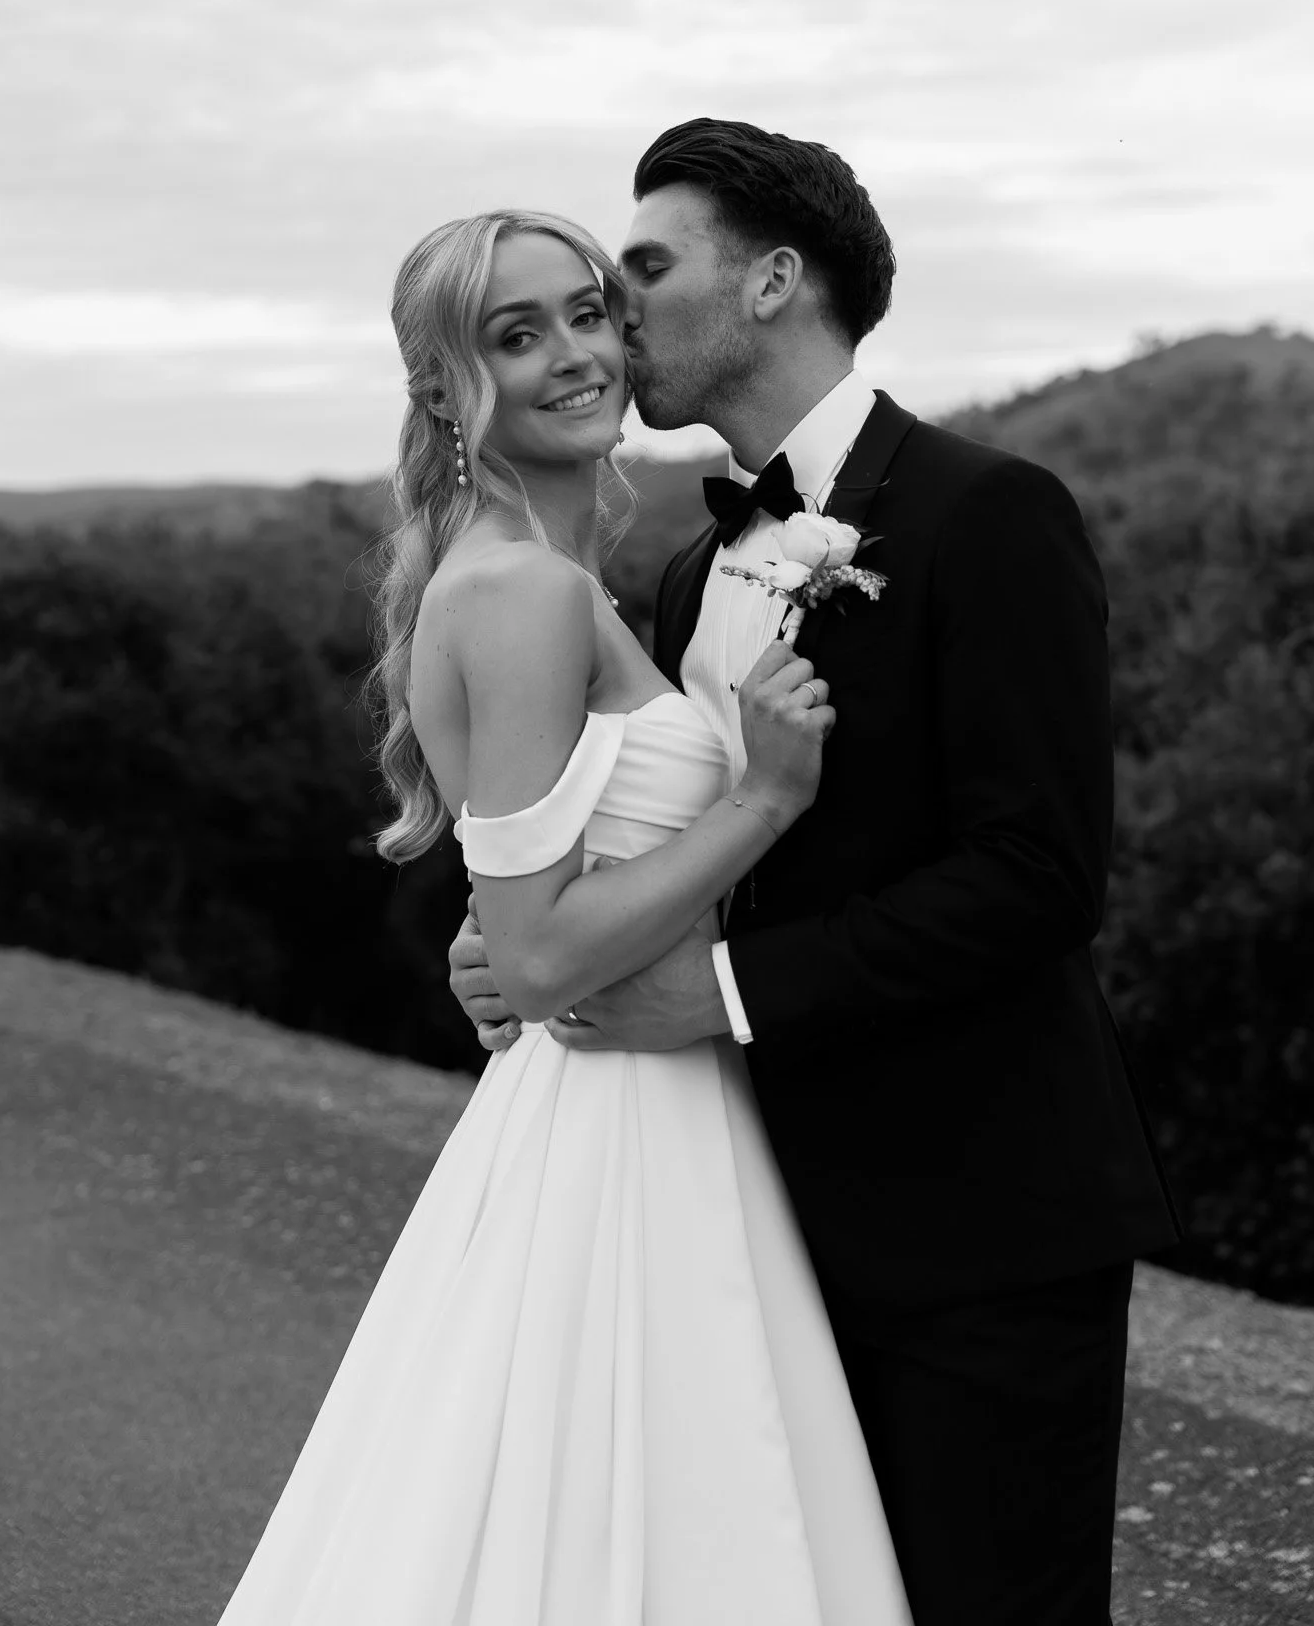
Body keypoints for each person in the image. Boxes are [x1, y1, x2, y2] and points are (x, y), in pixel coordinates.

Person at [451, 121, 1182, 1626]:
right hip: (740, 1227)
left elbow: (1037, 876)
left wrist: (713, 992)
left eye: (645, 269)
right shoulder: (677, 569)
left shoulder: (991, 515)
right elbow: (666, 854)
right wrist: (535, 952)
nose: (618, 305)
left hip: (977, 1230)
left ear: (775, 278)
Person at [215, 206, 913, 1625]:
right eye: (514, 335)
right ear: (443, 388)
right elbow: (535, 956)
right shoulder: (526, 593)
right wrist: (763, 799)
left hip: (638, 1105)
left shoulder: (541, 579)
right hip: (621, 1124)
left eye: (587, 313)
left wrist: (526, 938)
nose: (575, 355)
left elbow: (524, 915)